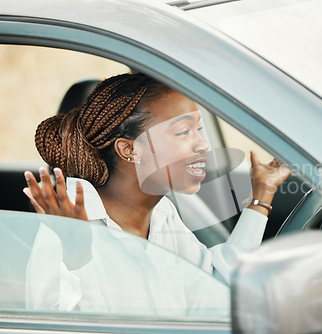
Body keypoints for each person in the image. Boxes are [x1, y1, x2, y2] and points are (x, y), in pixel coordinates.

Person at [23, 73, 291, 287]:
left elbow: (211, 289)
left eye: (199, 129)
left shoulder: (161, 213)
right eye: (184, 132)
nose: (203, 145)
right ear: (130, 149)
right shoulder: (69, 224)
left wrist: (262, 196)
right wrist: (75, 259)